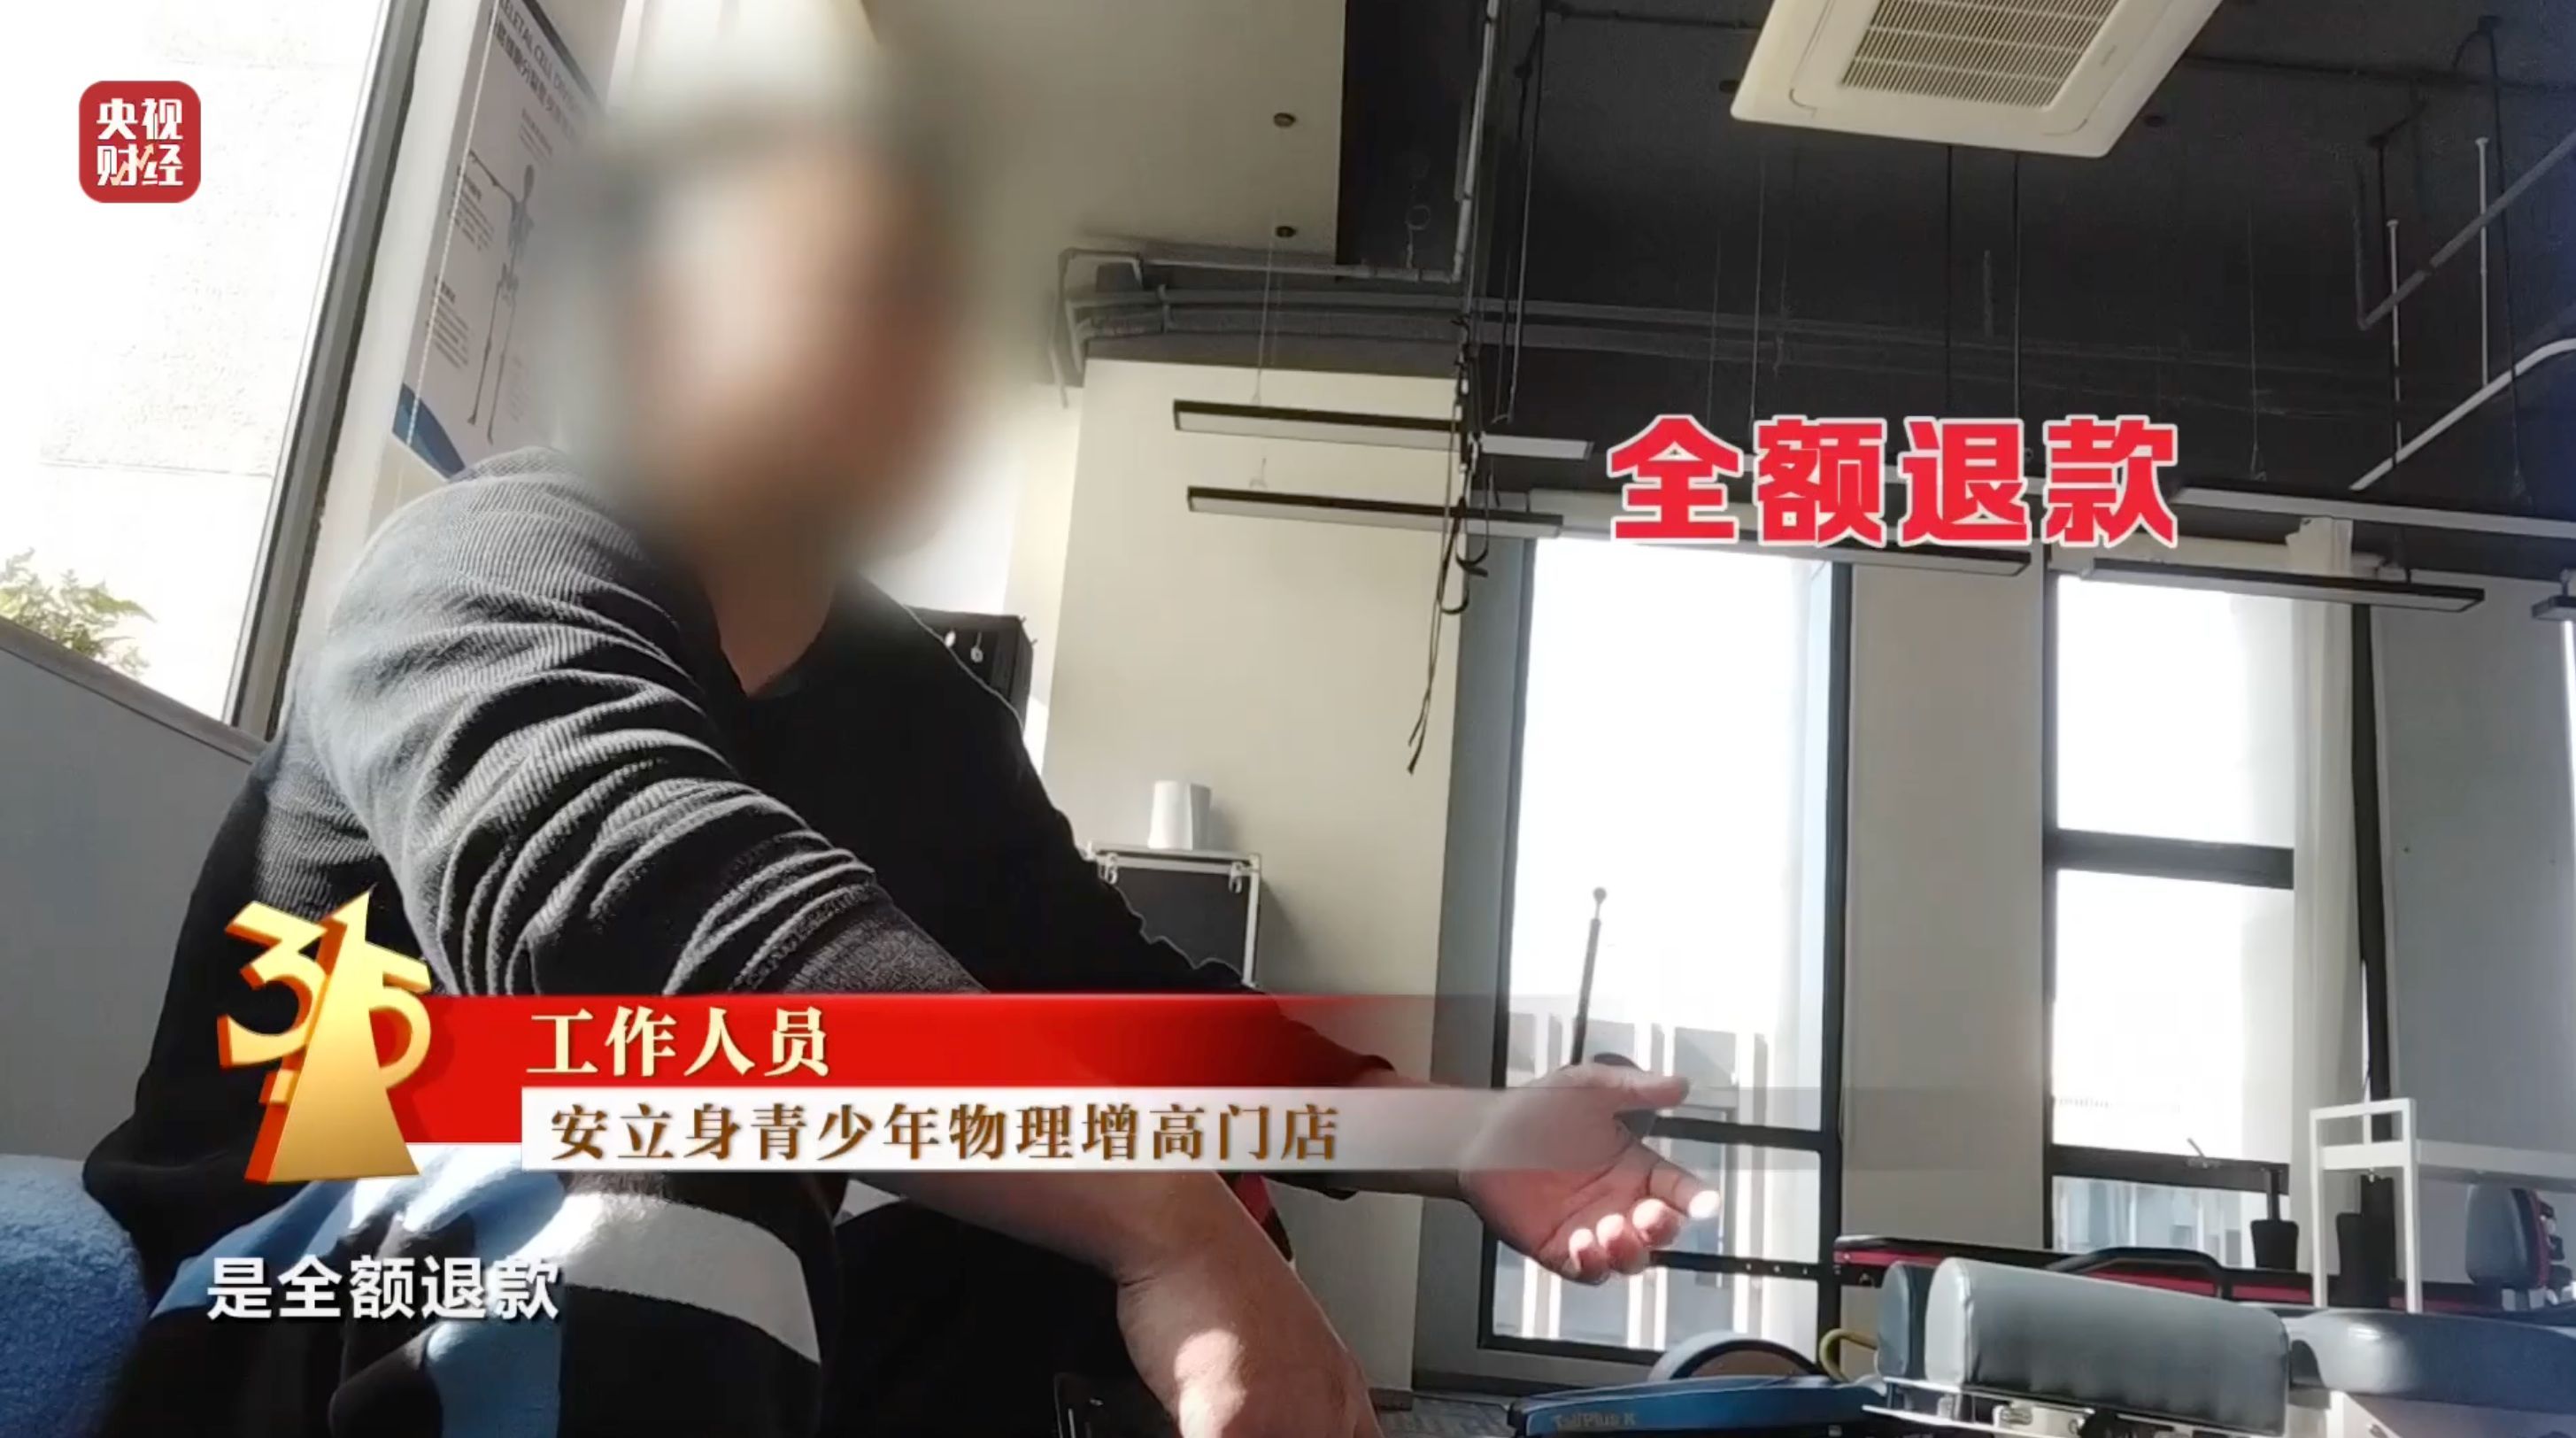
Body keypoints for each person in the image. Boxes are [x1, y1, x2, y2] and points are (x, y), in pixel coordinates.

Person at [84, 71, 1714, 1438]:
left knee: (1001, 1237)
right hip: (302, 1275)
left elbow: (1114, 1004)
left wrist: (1457, 1134)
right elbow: (654, 920)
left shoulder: (914, 710)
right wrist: (1173, 1233)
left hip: (610, 1283)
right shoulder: (484, 561)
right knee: (703, 1151)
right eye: (845, 291)